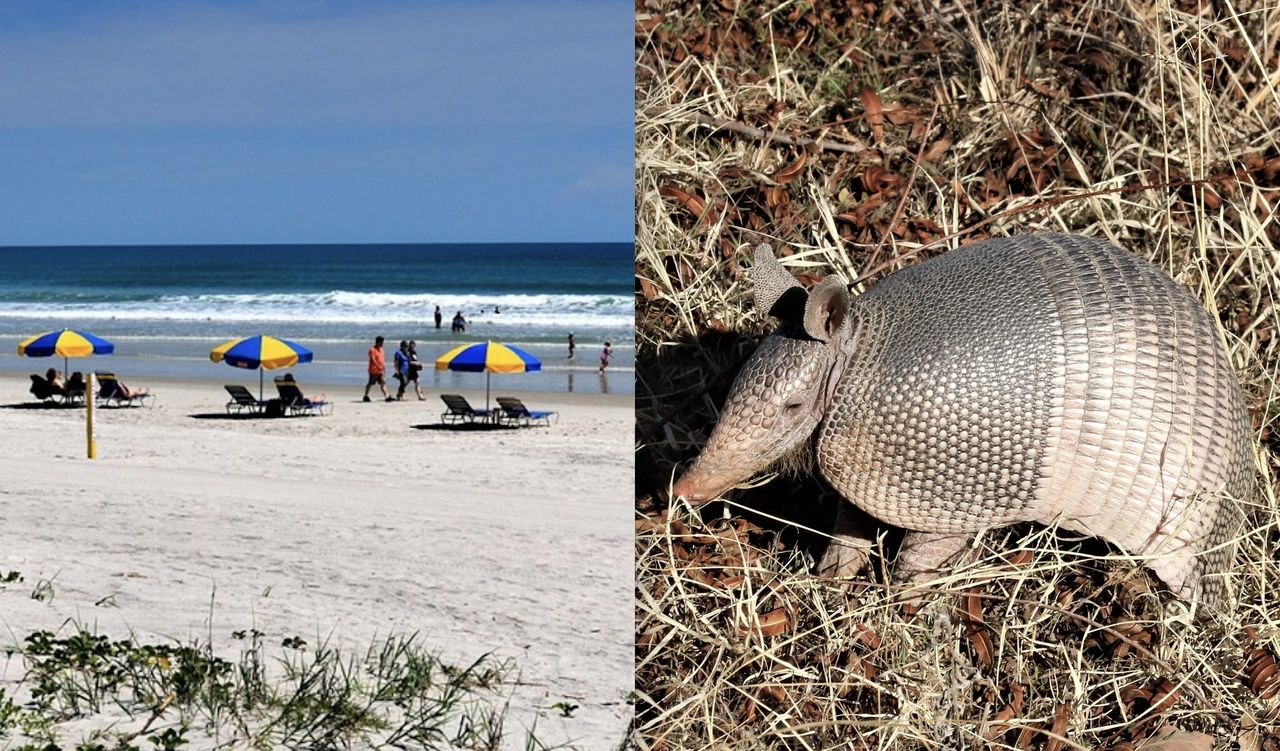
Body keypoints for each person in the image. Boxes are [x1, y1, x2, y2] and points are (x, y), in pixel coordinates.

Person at [363, 336, 390, 402]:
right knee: (371, 383)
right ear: (378, 342)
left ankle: (387, 396)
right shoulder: (372, 350)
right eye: (381, 343)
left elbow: (382, 359)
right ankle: (366, 395)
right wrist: (378, 366)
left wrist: (383, 368)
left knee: (383, 382)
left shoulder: (382, 350)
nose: (382, 344)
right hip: (374, 370)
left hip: (381, 370)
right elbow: (373, 360)